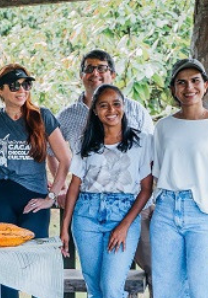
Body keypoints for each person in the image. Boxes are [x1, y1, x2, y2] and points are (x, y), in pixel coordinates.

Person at [52, 50, 156, 290]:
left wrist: (124, 225)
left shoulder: (142, 141)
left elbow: (146, 188)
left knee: (111, 287)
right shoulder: (88, 142)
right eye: (104, 106)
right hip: (86, 214)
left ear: (124, 107)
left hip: (124, 212)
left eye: (116, 104)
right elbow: (76, 184)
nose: (111, 110)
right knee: (96, 288)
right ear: (96, 111)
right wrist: (65, 227)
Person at [151, 58, 208, 298]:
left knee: (204, 290)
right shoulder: (162, 127)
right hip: (165, 212)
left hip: (204, 214)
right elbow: (155, 176)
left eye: (195, 81)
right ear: (173, 89)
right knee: (166, 290)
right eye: (181, 82)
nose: (188, 87)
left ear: (206, 85)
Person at [0, 63, 71, 298]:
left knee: (36, 269)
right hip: (1, 196)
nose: (21, 90)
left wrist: (51, 197)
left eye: (26, 84)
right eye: (14, 85)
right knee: (3, 267)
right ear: (0, 90)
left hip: (34, 200)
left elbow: (65, 159)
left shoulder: (42, 117)